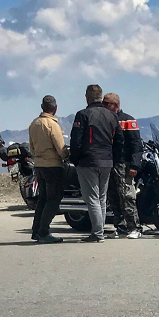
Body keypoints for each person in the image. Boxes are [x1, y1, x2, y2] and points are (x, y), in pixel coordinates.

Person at [69, 83, 119, 242]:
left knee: (92, 198)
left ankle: (97, 234)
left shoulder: (83, 115)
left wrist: (74, 159)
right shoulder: (112, 116)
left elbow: (76, 140)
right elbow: (119, 140)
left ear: (87, 97)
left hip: (88, 160)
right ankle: (99, 231)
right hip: (107, 160)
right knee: (101, 198)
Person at [101, 91, 142, 238]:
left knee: (127, 196)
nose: (104, 106)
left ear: (115, 105)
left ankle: (135, 227)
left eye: (107, 104)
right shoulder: (105, 120)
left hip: (124, 164)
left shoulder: (127, 121)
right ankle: (121, 227)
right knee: (113, 196)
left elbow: (136, 145)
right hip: (109, 163)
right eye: (103, 103)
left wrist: (134, 165)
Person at [28, 95, 67, 243]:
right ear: (55, 108)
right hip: (52, 165)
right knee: (53, 199)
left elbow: (31, 147)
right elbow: (60, 147)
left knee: (43, 199)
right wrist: (67, 157)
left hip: (39, 165)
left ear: (42, 107)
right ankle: (44, 231)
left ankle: (36, 230)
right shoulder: (52, 125)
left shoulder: (34, 124)